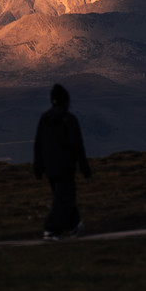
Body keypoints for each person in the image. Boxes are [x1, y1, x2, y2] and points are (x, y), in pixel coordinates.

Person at [34, 83, 91, 240]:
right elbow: (77, 146)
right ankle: (51, 229)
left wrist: (38, 168)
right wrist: (85, 168)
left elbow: (38, 144)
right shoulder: (69, 119)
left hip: (50, 168)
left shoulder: (44, 119)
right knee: (64, 197)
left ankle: (73, 226)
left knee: (63, 196)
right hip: (65, 167)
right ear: (65, 100)